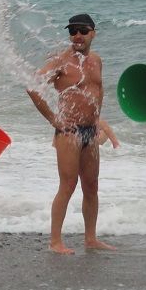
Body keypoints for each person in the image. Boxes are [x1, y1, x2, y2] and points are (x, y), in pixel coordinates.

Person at [27, 13, 116, 254]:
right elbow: (32, 86)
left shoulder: (97, 60)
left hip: (90, 130)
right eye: (72, 31)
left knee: (91, 186)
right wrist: (53, 119)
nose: (77, 35)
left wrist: (97, 119)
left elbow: (98, 89)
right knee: (68, 184)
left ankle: (90, 238)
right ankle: (55, 241)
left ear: (93, 33)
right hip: (69, 131)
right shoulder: (61, 61)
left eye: (82, 30)